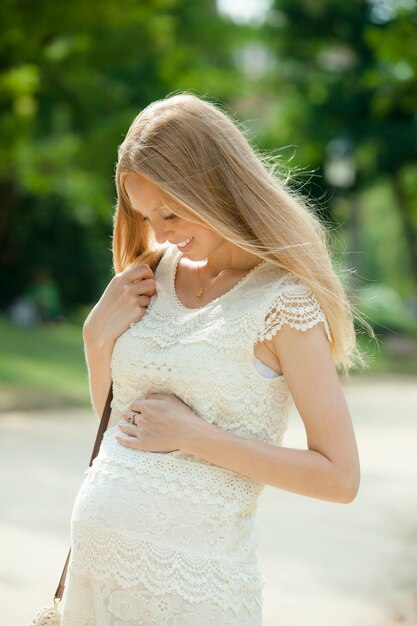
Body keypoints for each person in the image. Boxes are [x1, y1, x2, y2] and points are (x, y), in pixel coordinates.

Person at [61, 93, 368, 625]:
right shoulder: (148, 279)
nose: (159, 233)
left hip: (195, 595)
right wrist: (96, 339)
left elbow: (340, 478)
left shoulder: (282, 302)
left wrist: (197, 437)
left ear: (216, 187)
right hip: (97, 584)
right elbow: (122, 436)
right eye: (146, 216)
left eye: (172, 212)